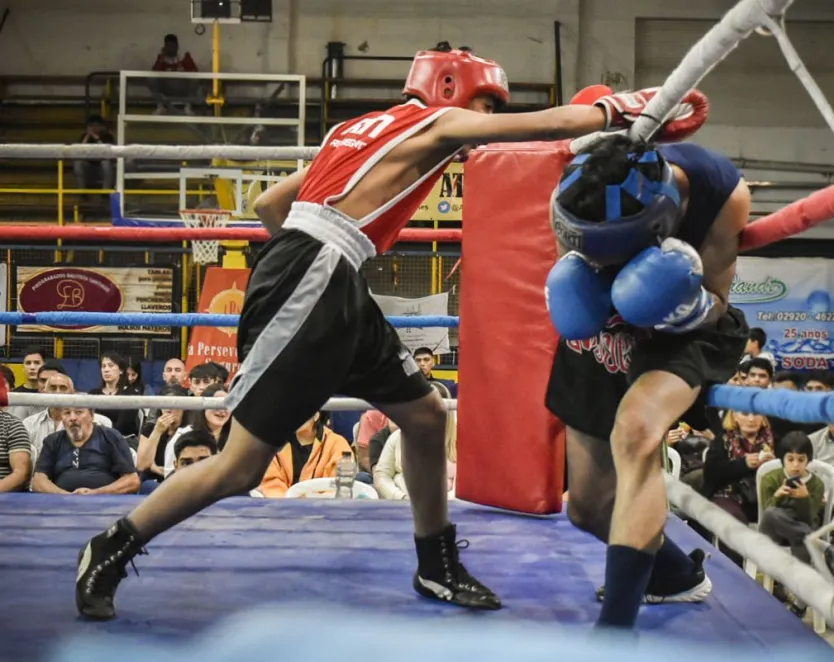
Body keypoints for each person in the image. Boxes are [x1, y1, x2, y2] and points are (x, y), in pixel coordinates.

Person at [75, 43, 666, 621]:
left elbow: (270, 205)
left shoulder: (354, 131)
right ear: (451, 90)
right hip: (314, 277)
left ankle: (435, 561)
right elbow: (542, 125)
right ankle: (113, 546)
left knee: (428, 416)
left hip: (330, 277)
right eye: (484, 105)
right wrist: (622, 109)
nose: (481, 121)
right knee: (241, 467)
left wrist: (317, 247)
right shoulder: (438, 120)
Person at [544, 89, 751, 631]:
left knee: (637, 431)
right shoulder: (580, 179)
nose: (597, 257)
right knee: (586, 508)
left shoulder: (717, 192)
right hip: (602, 318)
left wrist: (678, 301)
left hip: (685, 324)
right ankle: (675, 575)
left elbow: (718, 304)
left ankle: (614, 634)